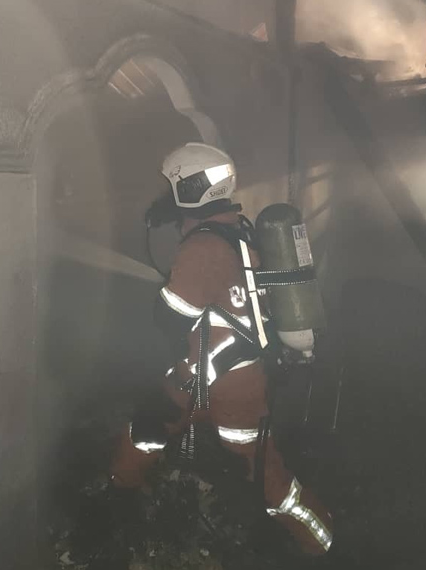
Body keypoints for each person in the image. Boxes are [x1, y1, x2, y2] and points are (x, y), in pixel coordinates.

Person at [109, 142, 334, 556]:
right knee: (149, 425)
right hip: (207, 377)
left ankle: (325, 544)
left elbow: (172, 316)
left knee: (268, 482)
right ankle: (120, 498)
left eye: (172, 188)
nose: (166, 195)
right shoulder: (238, 231)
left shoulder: (202, 248)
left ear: (188, 190)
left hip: (227, 386)